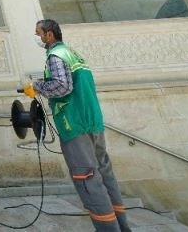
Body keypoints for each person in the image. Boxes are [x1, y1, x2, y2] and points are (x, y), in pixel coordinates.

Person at [27, 19, 132, 232]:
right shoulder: (73, 54)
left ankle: (107, 229)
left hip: (74, 123)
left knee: (87, 177)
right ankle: (122, 226)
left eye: (38, 34)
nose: (37, 38)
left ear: (49, 35)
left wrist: (36, 86)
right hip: (92, 120)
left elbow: (62, 86)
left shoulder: (55, 55)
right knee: (104, 172)